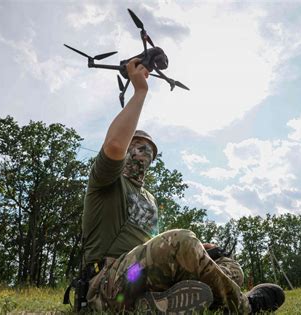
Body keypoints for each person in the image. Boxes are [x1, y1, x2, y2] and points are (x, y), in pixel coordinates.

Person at [82, 58, 285, 313]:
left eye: (148, 150)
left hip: (141, 278)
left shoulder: (149, 199)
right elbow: (113, 145)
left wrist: (202, 250)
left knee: (230, 268)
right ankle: (245, 306)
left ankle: (156, 306)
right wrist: (140, 91)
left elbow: (154, 247)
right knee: (182, 240)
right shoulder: (106, 180)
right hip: (107, 283)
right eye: (136, 146)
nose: (142, 153)